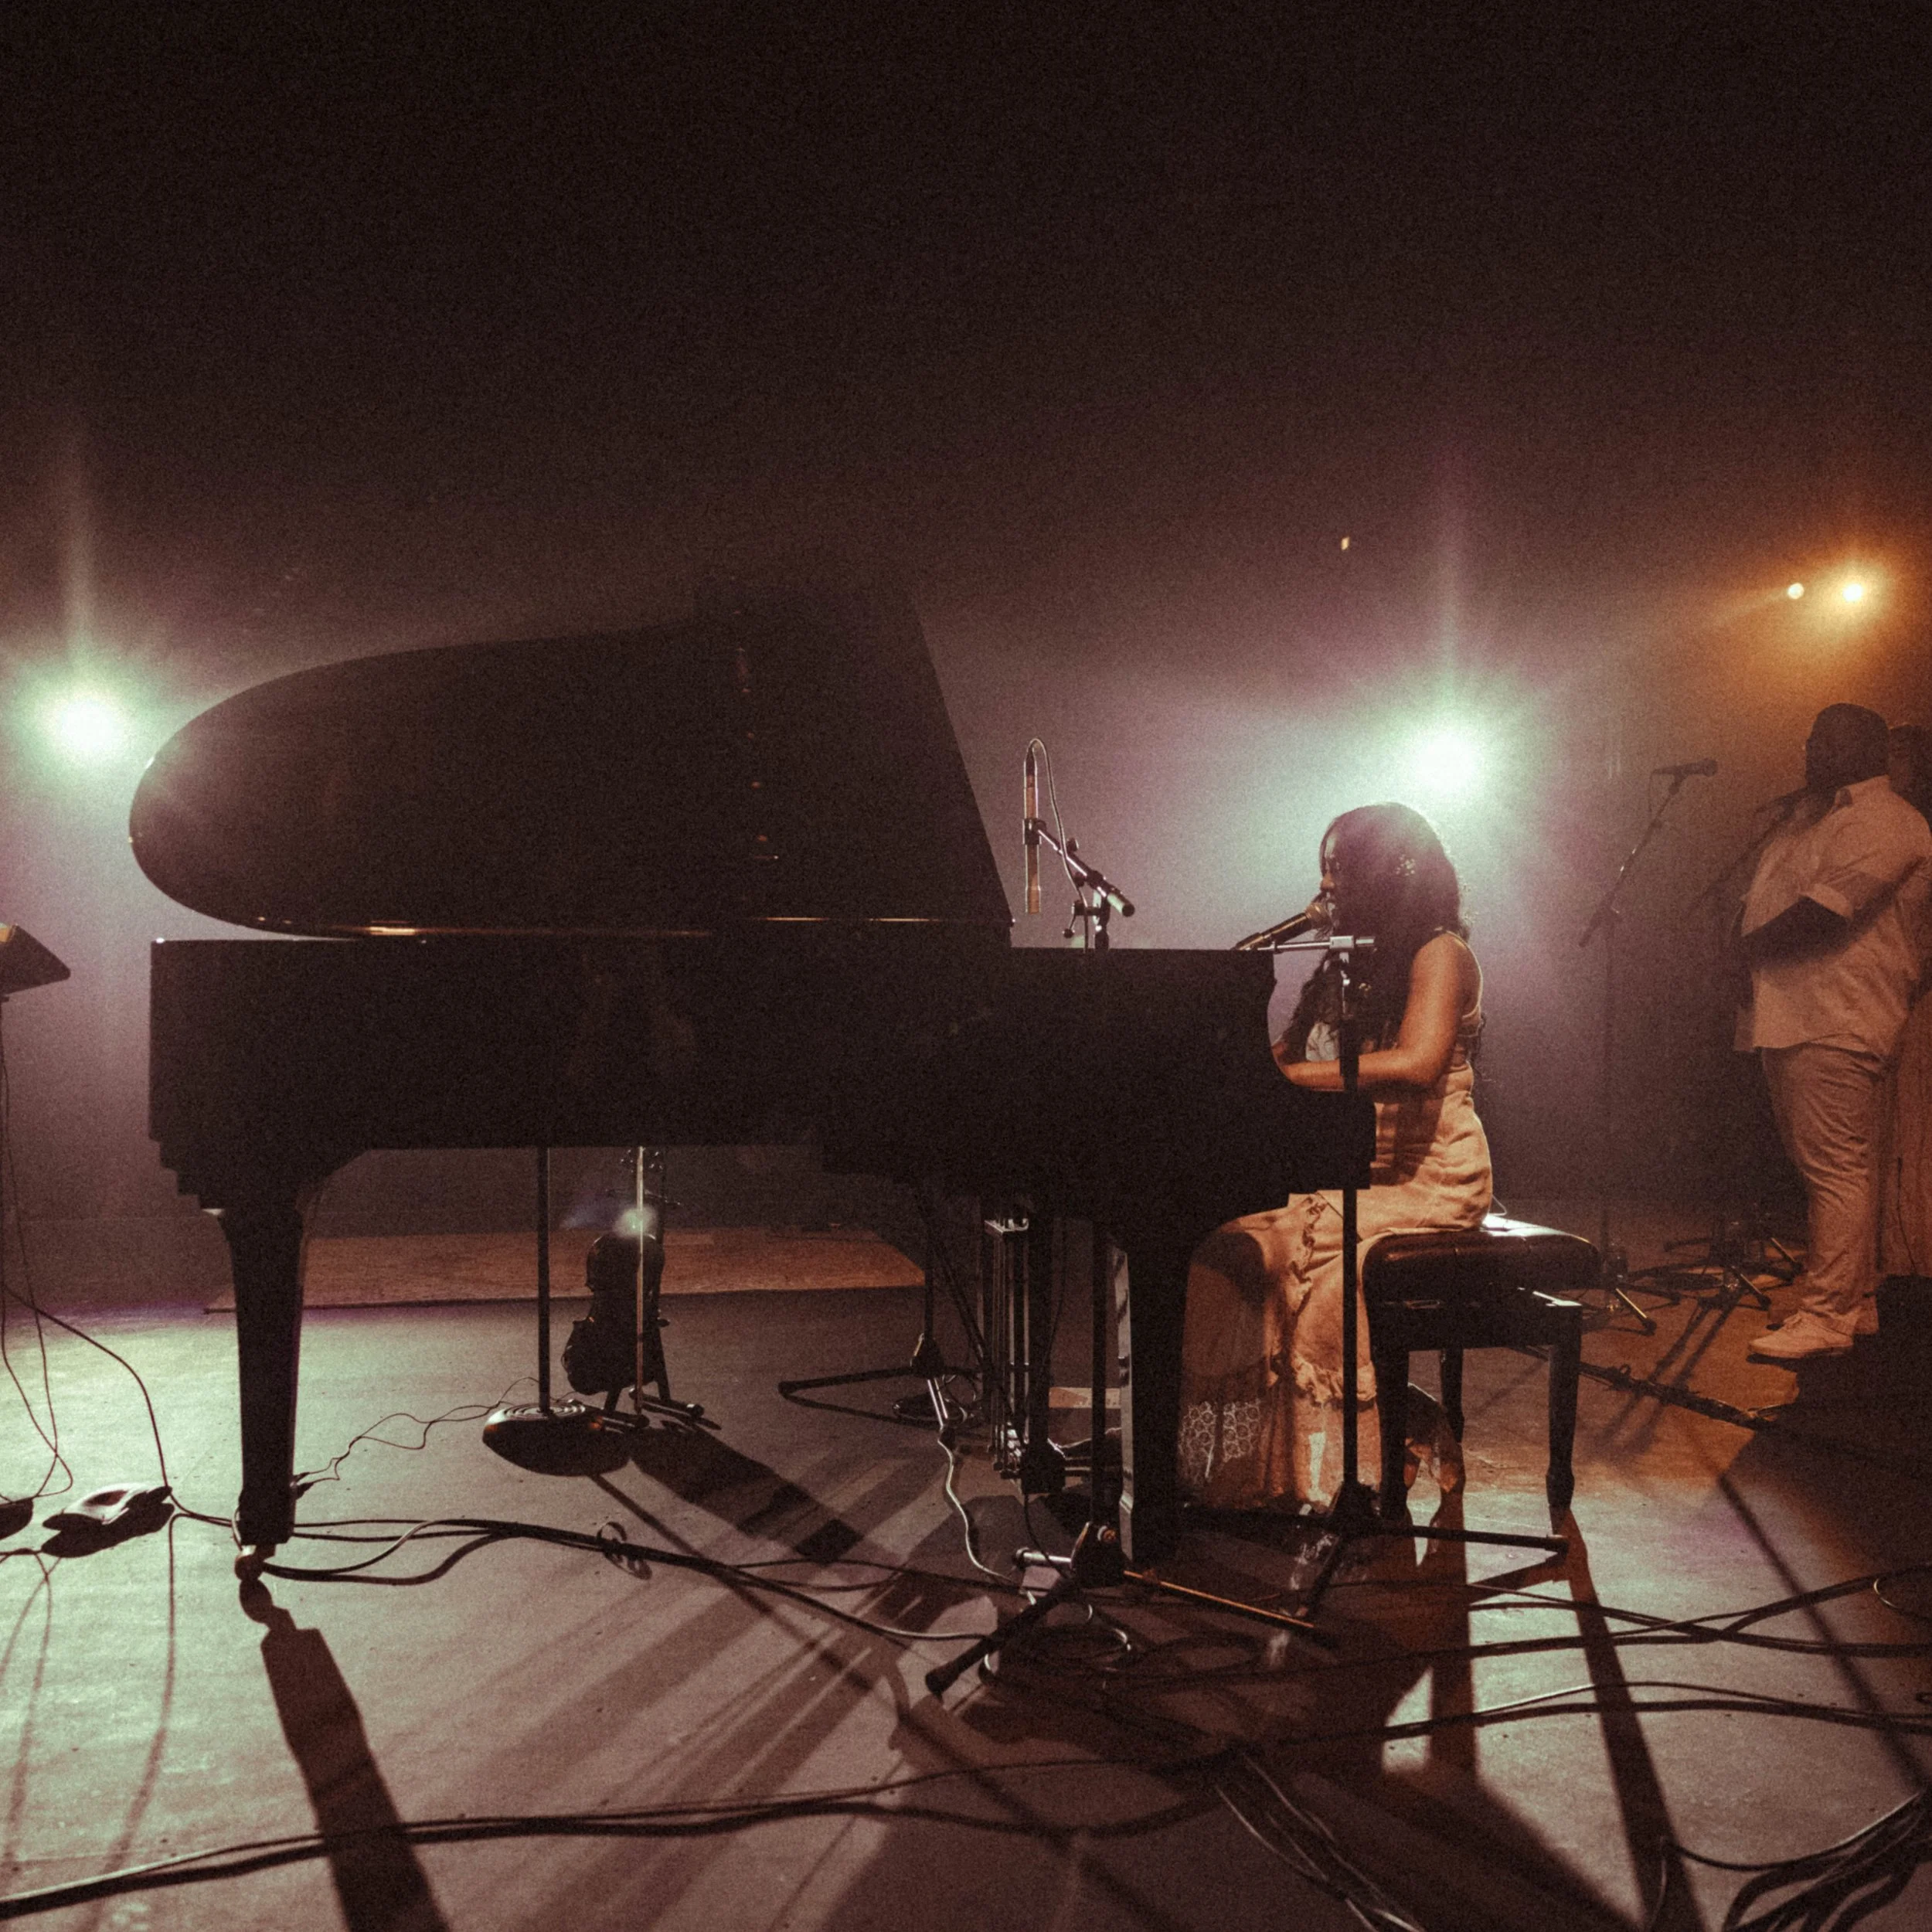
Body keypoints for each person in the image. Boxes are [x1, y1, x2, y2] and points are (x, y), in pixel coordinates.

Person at [1177, 802, 1491, 1509]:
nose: (1326, 889)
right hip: (1345, 1173)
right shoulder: (1344, 964)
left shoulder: (1440, 952)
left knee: (1325, 1291)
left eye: (1340, 869)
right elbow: (1284, 1058)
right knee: (1225, 1253)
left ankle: (1356, 1477)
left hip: (1427, 1178)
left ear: (1395, 872)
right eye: (1323, 871)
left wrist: (1280, 1078)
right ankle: (1248, 1473)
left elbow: (1415, 1063)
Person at [1736, 704, 1932, 1360]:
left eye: (1826, 738)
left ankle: (1827, 1315)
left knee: (1837, 1171)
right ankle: (1858, 1300)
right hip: (1798, 1013)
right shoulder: (1817, 817)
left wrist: (1742, 954)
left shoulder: (1887, 821)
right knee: (1834, 1169)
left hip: (1839, 1014)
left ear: (1868, 747)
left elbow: (1824, 917)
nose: (1810, 748)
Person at [1880, 724, 1932, 1279]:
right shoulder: (1882, 827)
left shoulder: (1918, 832)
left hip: (1919, 989)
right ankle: (1891, 1251)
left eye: (1902, 756)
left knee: (1916, 1126)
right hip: (1891, 985)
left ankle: (1915, 1250)